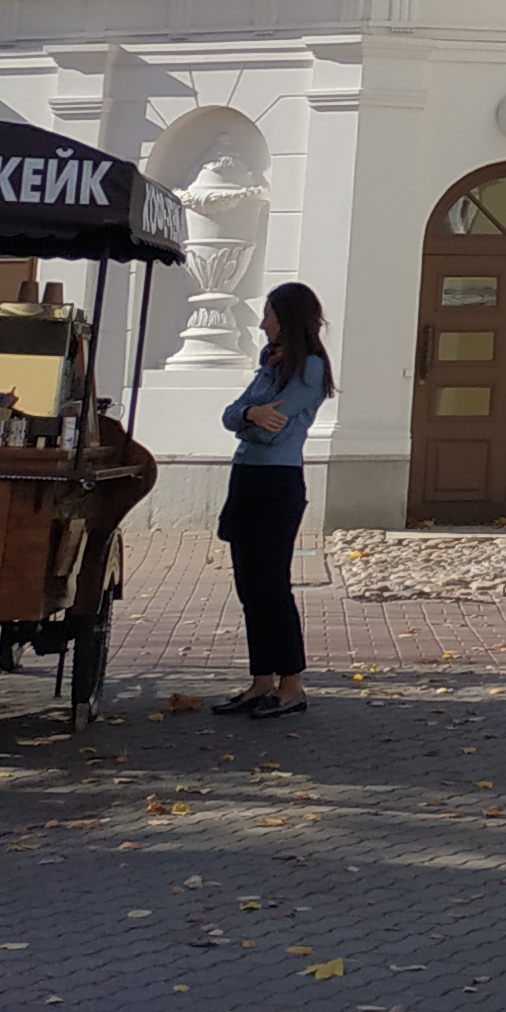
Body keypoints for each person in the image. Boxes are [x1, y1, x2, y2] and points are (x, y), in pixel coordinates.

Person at [215, 281, 328, 719]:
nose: (263, 324)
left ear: (289, 319)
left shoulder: (310, 368)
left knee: (272, 584)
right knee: (248, 586)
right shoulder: (269, 364)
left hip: (278, 483)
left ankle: (291, 684)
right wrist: (249, 415)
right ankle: (260, 680)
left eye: (269, 315)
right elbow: (232, 415)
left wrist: (250, 420)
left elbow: (270, 430)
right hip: (246, 478)